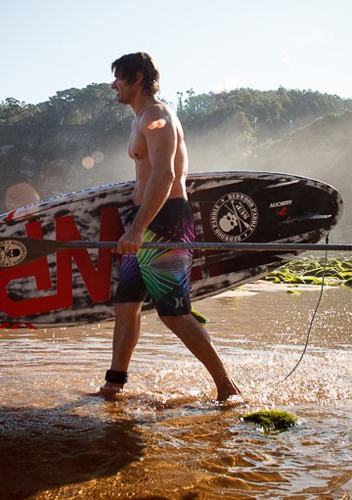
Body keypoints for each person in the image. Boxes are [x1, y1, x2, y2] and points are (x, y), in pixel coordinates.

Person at [98, 52, 241, 401]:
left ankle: (227, 387)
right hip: (143, 220)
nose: (114, 85)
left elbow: (165, 175)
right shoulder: (141, 120)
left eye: (118, 77)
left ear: (137, 78)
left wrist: (137, 230)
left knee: (174, 314)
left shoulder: (157, 117)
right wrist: (134, 225)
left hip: (164, 222)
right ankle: (114, 384)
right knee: (126, 306)